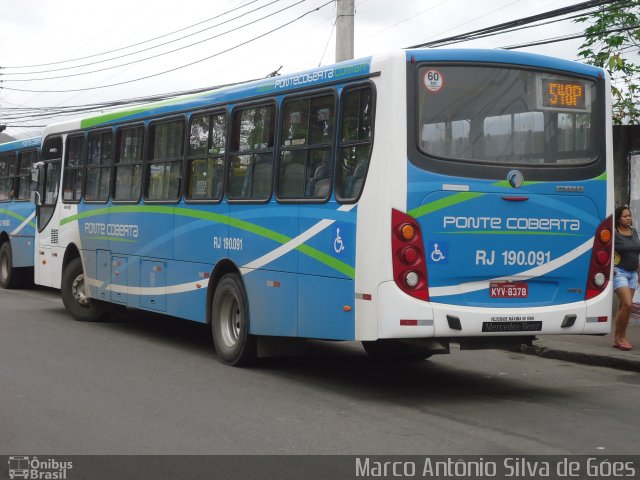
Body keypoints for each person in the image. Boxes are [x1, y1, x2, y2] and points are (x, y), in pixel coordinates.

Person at [612, 205, 640, 350]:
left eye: (629, 215)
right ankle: (622, 337)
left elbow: (637, 254)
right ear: (618, 218)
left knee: (623, 307)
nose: (628, 218)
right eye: (625, 216)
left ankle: (618, 338)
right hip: (619, 272)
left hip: (633, 274)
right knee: (628, 304)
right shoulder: (614, 233)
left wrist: (639, 272)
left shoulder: (634, 232)